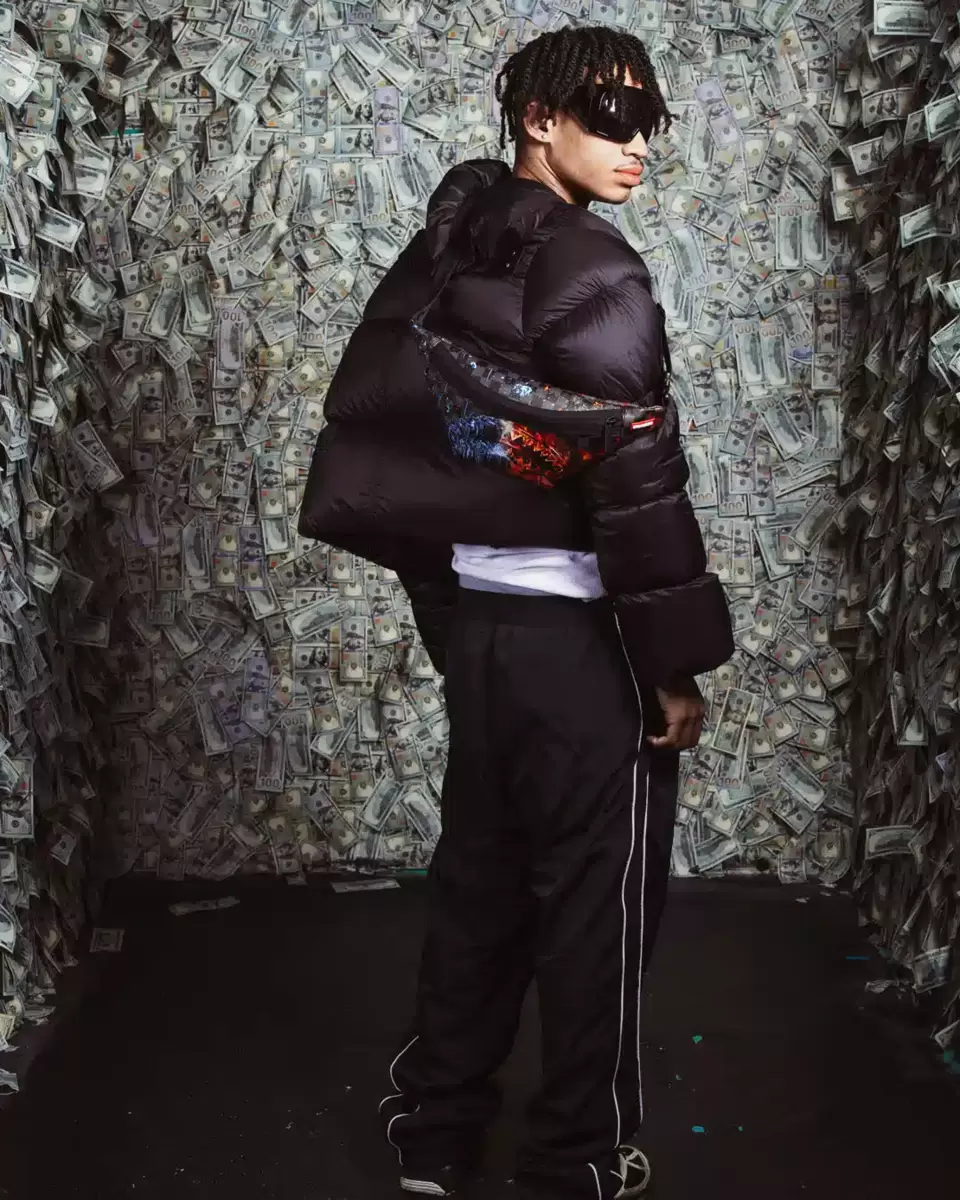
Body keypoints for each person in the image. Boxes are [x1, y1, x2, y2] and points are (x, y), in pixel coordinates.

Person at [299, 25, 734, 1200]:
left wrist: (459, 627)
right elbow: (634, 479)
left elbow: (397, 453)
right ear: (538, 118)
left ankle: (436, 1136)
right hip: (582, 649)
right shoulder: (594, 265)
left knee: (480, 892)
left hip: (487, 635)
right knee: (595, 911)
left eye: (649, 121)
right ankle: (577, 1157)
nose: (637, 144)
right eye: (611, 114)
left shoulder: (446, 256)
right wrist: (672, 669)